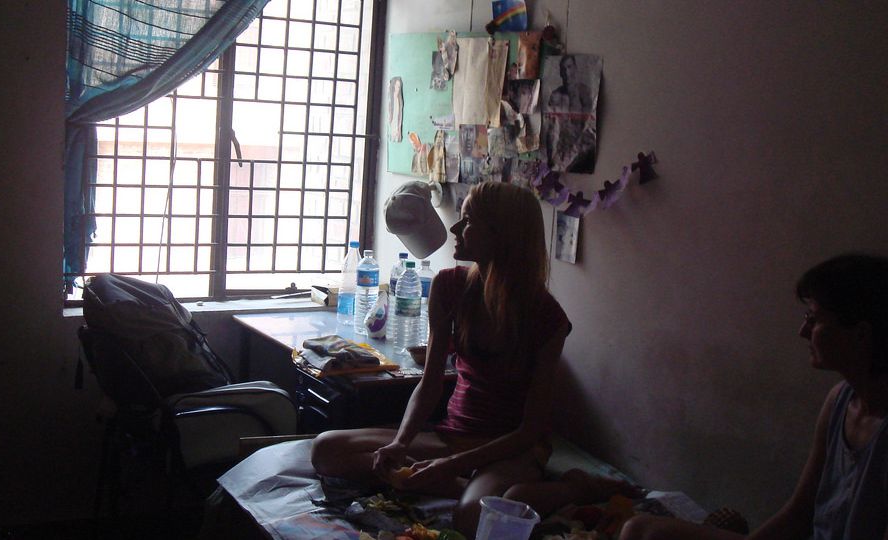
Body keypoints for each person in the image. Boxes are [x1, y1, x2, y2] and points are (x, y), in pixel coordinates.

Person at [312, 181, 624, 536]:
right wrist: (401, 442)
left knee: (472, 516)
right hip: (454, 435)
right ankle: (483, 487)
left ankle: (569, 488)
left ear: (502, 234)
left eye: (468, 220)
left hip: (510, 448)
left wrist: (449, 465)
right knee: (326, 450)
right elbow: (429, 385)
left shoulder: (548, 320)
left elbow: (530, 430)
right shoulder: (449, 287)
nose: (455, 229)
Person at [620, 253, 888, 540]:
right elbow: (798, 514)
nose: (803, 331)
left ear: (860, 335)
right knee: (641, 530)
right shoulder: (839, 401)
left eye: (814, 318)